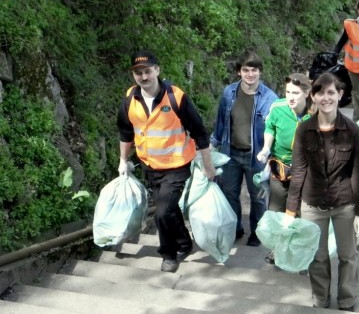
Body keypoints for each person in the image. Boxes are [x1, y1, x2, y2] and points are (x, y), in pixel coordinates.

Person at [117, 50, 215, 273]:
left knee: (162, 212)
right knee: (169, 209)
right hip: (150, 166)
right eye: (139, 73)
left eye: (148, 71)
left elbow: (200, 133)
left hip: (177, 165)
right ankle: (184, 243)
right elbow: (125, 133)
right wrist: (123, 161)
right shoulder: (130, 99)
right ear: (134, 75)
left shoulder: (176, 97)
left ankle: (169, 254)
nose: (144, 77)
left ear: (157, 70)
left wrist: (208, 166)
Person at [284, 72, 359, 311]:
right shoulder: (304, 130)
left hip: (344, 204)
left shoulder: (351, 129)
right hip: (312, 204)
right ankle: (320, 299)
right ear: (313, 96)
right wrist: (291, 210)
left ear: (340, 95)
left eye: (331, 92)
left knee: (347, 256)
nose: (326, 98)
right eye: (320, 92)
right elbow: (298, 171)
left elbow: (358, 172)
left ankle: (347, 300)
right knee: (318, 256)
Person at [210, 49, 278, 247]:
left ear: (260, 72)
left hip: (256, 157)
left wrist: (271, 157)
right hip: (230, 154)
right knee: (229, 194)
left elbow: (274, 129)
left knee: (257, 198)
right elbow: (221, 122)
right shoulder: (229, 92)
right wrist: (212, 146)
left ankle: (257, 232)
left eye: (254, 70)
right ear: (239, 71)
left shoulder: (270, 98)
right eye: (246, 70)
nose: (250, 74)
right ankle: (235, 228)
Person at [256, 73, 313, 263]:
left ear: (307, 93)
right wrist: (265, 148)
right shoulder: (278, 107)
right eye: (288, 91)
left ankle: (302, 254)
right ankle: (277, 250)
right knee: (276, 210)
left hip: (306, 170)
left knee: (302, 213)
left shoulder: (315, 112)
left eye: (296, 93)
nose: (290, 97)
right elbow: (270, 127)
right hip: (280, 167)